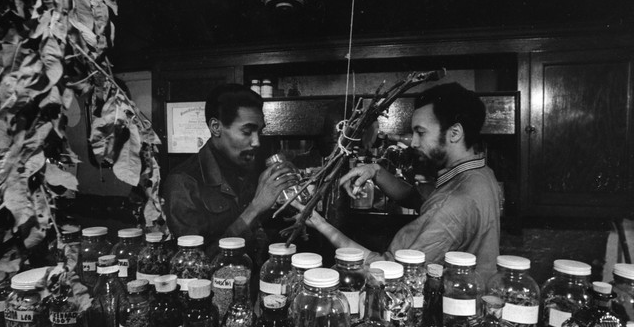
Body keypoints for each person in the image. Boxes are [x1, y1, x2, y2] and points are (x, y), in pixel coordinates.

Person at [301, 82, 501, 281]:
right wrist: (376, 171)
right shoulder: (480, 174)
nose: (413, 142)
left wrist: (320, 223)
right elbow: (419, 199)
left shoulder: (452, 204)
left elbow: (388, 272)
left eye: (421, 133)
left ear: (454, 133)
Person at [162, 83, 298, 266]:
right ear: (216, 127)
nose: (257, 142)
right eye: (247, 132)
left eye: (260, 131)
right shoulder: (183, 182)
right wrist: (255, 208)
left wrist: (292, 210)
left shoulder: (250, 165)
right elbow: (194, 265)